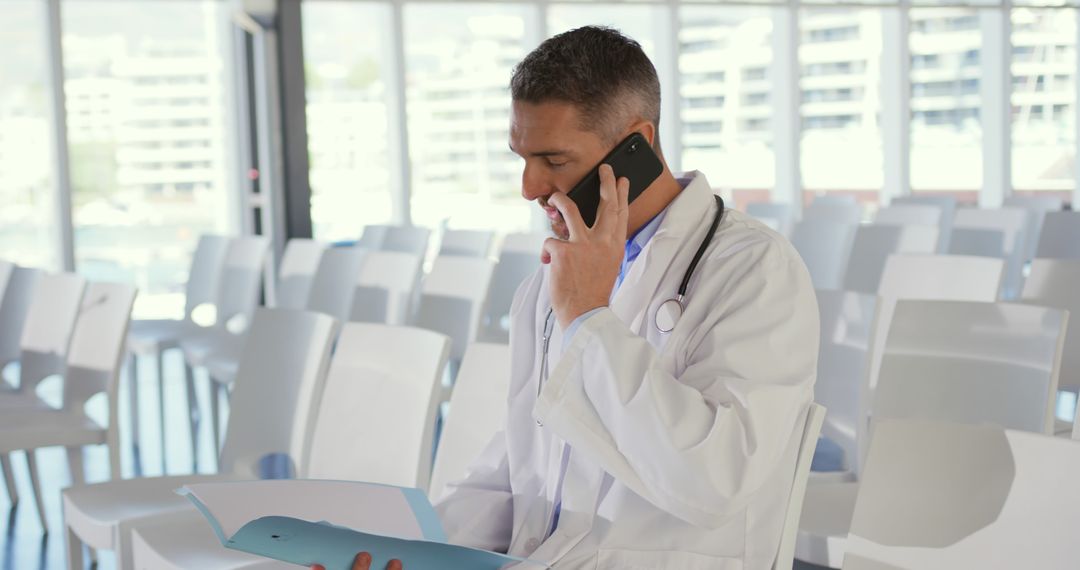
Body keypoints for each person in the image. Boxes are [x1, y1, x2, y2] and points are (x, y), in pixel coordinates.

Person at [313, 25, 818, 570]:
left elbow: (716, 480)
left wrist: (589, 318)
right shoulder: (549, 282)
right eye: (521, 157)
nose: (529, 187)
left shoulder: (755, 271)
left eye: (553, 161)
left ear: (637, 147)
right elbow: (512, 481)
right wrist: (399, 556)